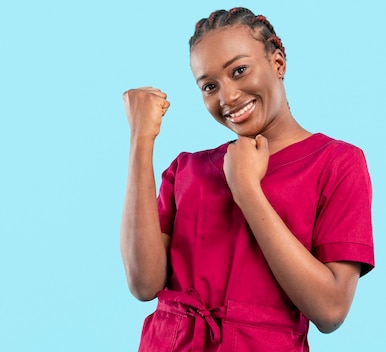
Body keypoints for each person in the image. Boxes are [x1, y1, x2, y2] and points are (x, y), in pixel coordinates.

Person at [120, 7, 374, 351]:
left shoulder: (337, 163)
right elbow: (143, 284)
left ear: (278, 63)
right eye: (209, 86)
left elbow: (330, 310)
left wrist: (246, 189)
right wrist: (141, 140)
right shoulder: (187, 170)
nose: (227, 97)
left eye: (239, 71)